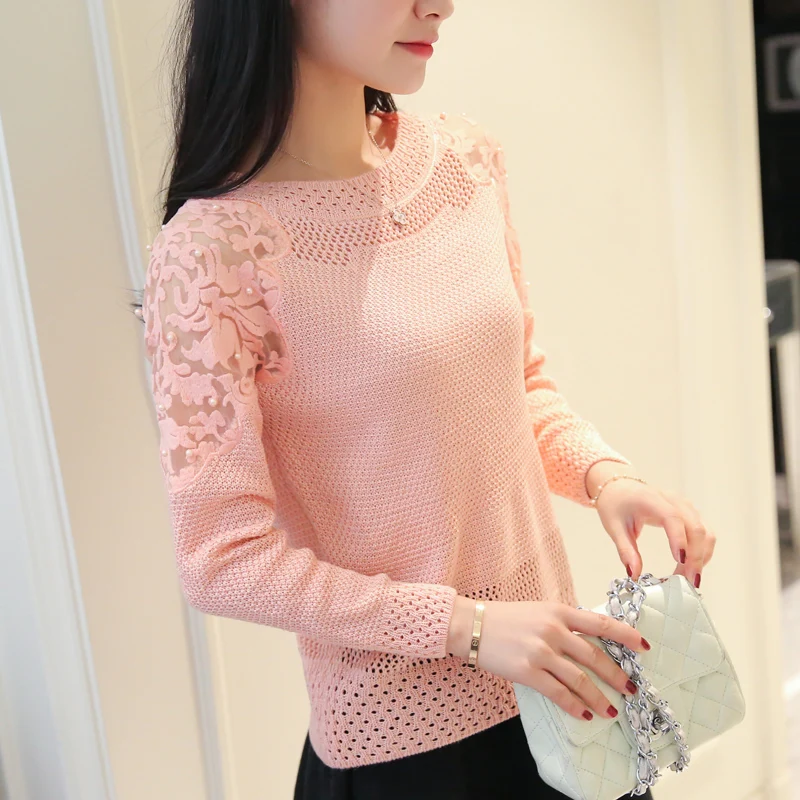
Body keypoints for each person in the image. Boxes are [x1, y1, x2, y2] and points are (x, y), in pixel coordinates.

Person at [131, 0, 717, 797]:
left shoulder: (465, 161)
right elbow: (221, 559)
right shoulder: (212, 255)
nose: (439, 3)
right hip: (407, 755)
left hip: (564, 697)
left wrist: (606, 477)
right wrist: (469, 628)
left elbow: (517, 389)